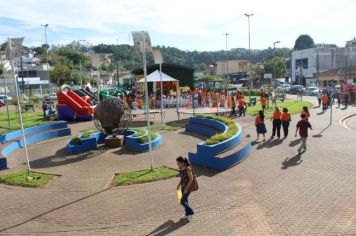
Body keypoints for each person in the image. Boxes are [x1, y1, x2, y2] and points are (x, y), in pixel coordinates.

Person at [176, 156, 195, 220]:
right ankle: (187, 214)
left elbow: (191, 179)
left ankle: (191, 212)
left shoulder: (188, 169)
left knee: (182, 201)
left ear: (182, 162)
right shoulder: (181, 169)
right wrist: (178, 185)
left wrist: (187, 188)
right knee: (185, 200)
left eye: (178, 163)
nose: (177, 164)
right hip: (183, 187)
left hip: (188, 187)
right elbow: (182, 178)